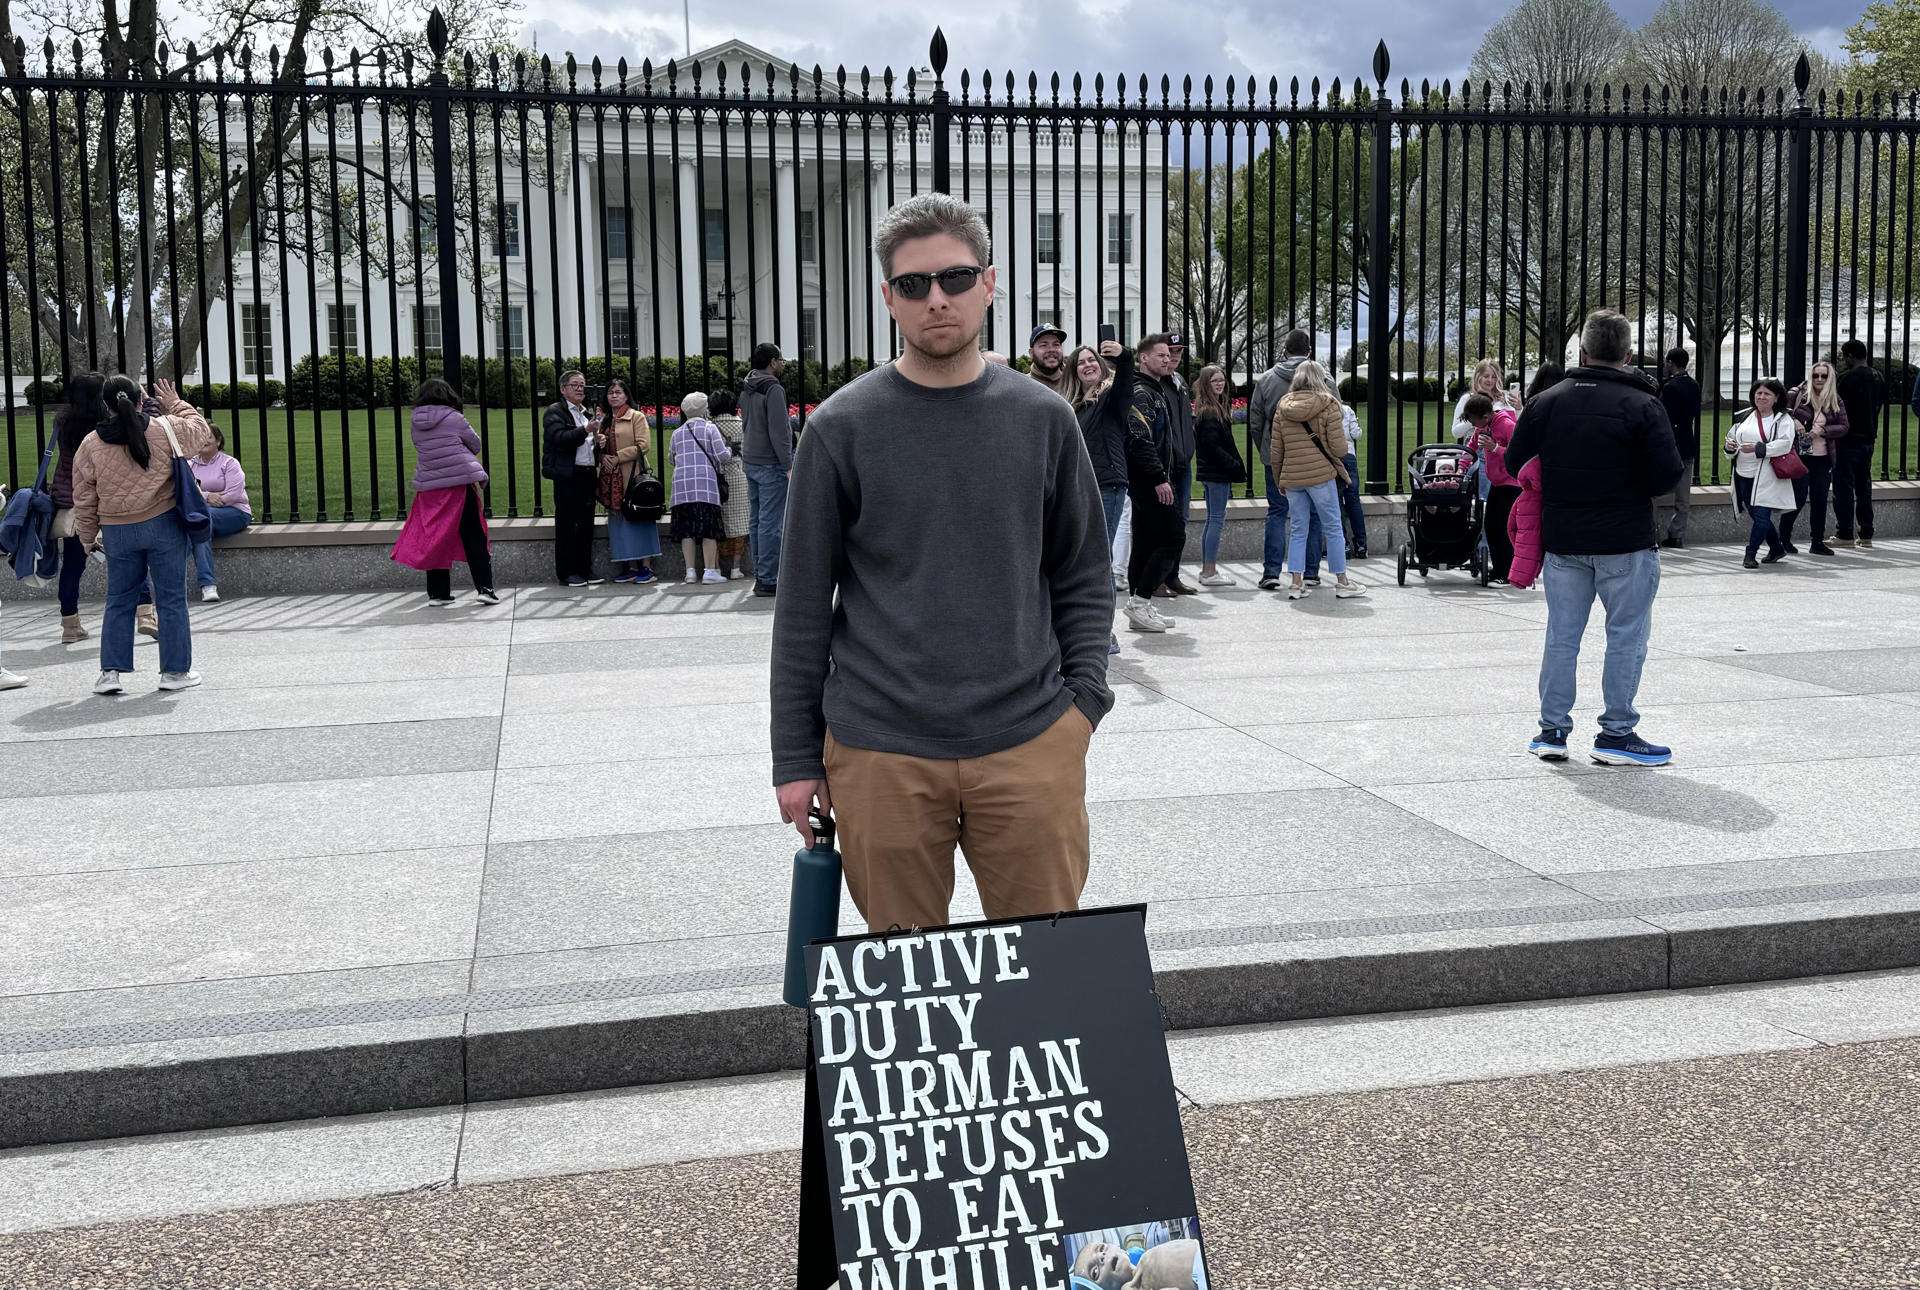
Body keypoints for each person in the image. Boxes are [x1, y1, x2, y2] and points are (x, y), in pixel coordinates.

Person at [771, 193, 1112, 933]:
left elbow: (1084, 574)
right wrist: (795, 758)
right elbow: (801, 608)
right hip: (880, 751)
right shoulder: (839, 428)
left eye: (955, 279)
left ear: (989, 284)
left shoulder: (1043, 418)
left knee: (1047, 981)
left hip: (1030, 739)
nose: (937, 300)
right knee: (908, 995)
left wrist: (1081, 708)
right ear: (887, 296)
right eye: (915, 284)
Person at [1504, 309, 1683, 767]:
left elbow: (1513, 463)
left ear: (1581, 351)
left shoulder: (1547, 401)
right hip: (1624, 536)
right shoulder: (1643, 404)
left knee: (1562, 636)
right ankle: (1616, 732)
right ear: (1626, 354)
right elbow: (1666, 475)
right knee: (1625, 636)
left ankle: (1552, 730)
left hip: (1564, 536)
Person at [72, 375, 207, 695]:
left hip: (117, 531)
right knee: (172, 599)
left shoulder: (91, 443)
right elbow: (200, 432)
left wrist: (89, 538)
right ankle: (174, 672)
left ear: (106, 405)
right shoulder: (165, 428)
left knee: (118, 600)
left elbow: (84, 497)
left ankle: (110, 673)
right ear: (140, 399)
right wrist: (175, 402)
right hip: (163, 525)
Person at [50, 372, 156, 644]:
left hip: (73, 500)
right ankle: (145, 612)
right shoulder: (108, 426)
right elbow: (145, 422)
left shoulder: (63, 421)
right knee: (131, 557)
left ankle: (70, 625)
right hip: (108, 500)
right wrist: (142, 397)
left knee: (73, 565)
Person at [1269, 361, 1367, 601]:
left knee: (1298, 529)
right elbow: (1339, 447)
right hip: (1321, 475)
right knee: (1333, 527)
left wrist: (1279, 477)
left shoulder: (1283, 405)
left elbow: (1276, 450)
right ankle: (1342, 581)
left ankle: (1295, 582)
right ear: (1320, 379)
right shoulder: (1329, 404)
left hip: (1292, 476)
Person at [393, 378, 495, 607]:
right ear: (448, 396)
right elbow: (475, 444)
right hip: (459, 484)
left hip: (429, 486)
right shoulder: (455, 418)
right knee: (474, 536)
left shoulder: (415, 421)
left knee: (435, 537)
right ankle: (485, 589)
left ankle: (438, 593)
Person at [1066, 339, 1135, 653]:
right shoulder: (1076, 407)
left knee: (1101, 559)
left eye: (1091, 360)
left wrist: (1125, 358)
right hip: (1083, 486)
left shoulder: (1110, 397)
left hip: (1108, 484)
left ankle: (1106, 633)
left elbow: (1124, 385)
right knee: (1090, 559)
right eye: (1081, 362)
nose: (1087, 365)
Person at [1247, 329, 1319, 590]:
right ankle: (1310, 571)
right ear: (1308, 350)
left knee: (1277, 511)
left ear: (1285, 350)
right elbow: (1335, 415)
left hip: (1277, 454)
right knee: (1312, 513)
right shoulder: (1322, 376)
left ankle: (1271, 572)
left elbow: (1256, 421)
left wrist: (1265, 449)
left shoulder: (1267, 379)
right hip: (1314, 456)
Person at [1124, 334, 1186, 631]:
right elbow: (1139, 438)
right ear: (1143, 358)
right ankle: (1141, 601)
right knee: (1173, 537)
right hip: (1149, 480)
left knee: (1147, 541)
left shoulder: (1154, 389)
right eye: (1160, 355)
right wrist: (1159, 478)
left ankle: (1140, 605)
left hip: (1148, 478)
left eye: (1168, 355)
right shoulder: (1142, 392)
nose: (1167, 359)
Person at [1726, 378, 1797, 570]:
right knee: (1757, 516)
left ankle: (1750, 554)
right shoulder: (1743, 416)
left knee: (1762, 517)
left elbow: (1784, 444)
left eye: (1767, 394)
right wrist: (1729, 447)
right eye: (1758, 393)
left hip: (1767, 476)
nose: (1762, 397)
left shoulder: (1783, 419)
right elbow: (1731, 438)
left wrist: (1759, 448)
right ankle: (1776, 548)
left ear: (1776, 398)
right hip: (1743, 475)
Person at [543, 369, 603, 587]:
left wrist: (598, 441)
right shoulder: (555, 412)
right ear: (563, 389)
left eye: (582, 385)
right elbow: (560, 439)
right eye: (575, 385)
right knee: (567, 524)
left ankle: (584, 569)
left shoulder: (584, 413)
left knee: (586, 524)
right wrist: (586, 429)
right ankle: (567, 573)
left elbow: (586, 445)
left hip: (587, 474)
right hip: (568, 476)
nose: (580, 389)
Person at [597, 378, 661, 585]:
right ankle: (630, 567)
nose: (614, 395)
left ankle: (647, 567)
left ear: (626, 395)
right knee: (620, 522)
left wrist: (618, 456)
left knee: (639, 518)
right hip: (610, 478)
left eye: (618, 392)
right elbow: (598, 447)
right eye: (610, 392)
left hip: (632, 476)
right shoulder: (605, 419)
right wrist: (602, 455)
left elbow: (644, 445)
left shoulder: (637, 417)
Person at [1782, 361, 1848, 557]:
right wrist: (1793, 421)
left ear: (1830, 379)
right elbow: (1781, 413)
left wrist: (1823, 430)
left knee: (1820, 500)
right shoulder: (1798, 394)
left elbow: (1844, 426)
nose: (1819, 379)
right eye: (1816, 375)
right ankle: (1783, 538)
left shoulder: (1835, 400)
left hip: (1823, 457)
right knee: (1798, 498)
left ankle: (1817, 541)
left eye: (1824, 376)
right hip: (1800, 457)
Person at [741, 343, 791, 597]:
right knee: (771, 522)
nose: (783, 363)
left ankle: (761, 574)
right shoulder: (773, 389)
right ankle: (769, 578)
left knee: (757, 520)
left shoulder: (748, 385)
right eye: (780, 359)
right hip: (770, 462)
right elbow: (780, 431)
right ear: (772, 362)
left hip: (750, 458)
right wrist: (789, 465)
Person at [668, 391, 733, 585]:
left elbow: (671, 458)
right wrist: (730, 449)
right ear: (704, 410)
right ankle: (710, 571)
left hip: (681, 489)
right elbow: (722, 456)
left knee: (686, 531)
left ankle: (690, 572)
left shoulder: (677, 433)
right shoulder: (710, 428)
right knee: (708, 530)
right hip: (705, 487)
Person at [1151, 329, 1198, 595]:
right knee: (1162, 525)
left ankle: (1172, 575)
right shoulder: (1155, 381)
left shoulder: (1179, 381)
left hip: (1182, 463)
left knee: (1180, 522)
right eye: (1170, 352)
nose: (1175, 357)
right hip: (1164, 465)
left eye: (1178, 352)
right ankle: (1155, 579)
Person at [1191, 363, 1244, 587]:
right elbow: (1211, 446)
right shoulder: (1211, 412)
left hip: (1212, 473)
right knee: (1215, 520)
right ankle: (1209, 571)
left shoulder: (1211, 408)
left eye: (1222, 379)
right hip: (1216, 474)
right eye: (1214, 381)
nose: (1220, 384)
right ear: (1206, 384)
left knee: (1212, 519)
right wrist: (1233, 465)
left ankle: (1208, 569)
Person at [185, 425, 251, 603]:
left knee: (199, 522)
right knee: (202, 526)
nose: (204, 440)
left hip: (235, 512)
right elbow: (187, 492)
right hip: (205, 515)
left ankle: (202, 583)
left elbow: (235, 494)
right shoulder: (189, 465)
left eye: (209, 436)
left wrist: (203, 498)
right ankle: (208, 586)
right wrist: (207, 497)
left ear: (219, 441)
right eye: (200, 436)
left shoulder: (229, 463)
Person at [1832, 339, 1885, 549]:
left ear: (1850, 356)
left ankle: (1844, 533)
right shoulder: (1877, 376)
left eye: (1845, 356)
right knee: (1864, 486)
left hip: (1847, 438)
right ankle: (1866, 533)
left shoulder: (1845, 378)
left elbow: (1835, 406)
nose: (1844, 360)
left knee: (1843, 486)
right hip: (1868, 437)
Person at [1462, 392, 1520, 583]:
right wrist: (1460, 470)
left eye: (1474, 421)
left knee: (1503, 528)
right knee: (1491, 526)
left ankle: (1507, 572)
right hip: (1497, 482)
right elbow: (1470, 450)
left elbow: (1518, 452)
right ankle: (1498, 568)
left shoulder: (1506, 425)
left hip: (1511, 484)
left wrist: (1495, 448)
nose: (1473, 426)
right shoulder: (1483, 428)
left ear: (1486, 416)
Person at [1656, 348, 1701, 549]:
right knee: (1683, 496)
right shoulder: (1694, 385)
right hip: (1687, 442)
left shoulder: (1669, 387)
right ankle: (1677, 534)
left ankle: (1650, 532)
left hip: (1669, 444)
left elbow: (1661, 415)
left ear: (1671, 362)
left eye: (1666, 362)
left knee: (1654, 491)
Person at [709, 390, 752, 580]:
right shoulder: (742, 424)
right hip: (739, 475)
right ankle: (736, 567)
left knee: (716, 522)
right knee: (740, 521)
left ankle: (716, 566)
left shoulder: (710, 426)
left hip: (716, 478)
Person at [1451, 358, 1522, 441]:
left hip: (1504, 448)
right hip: (1477, 447)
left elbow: (1520, 426)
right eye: (1486, 376)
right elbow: (1456, 433)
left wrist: (1519, 409)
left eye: (1494, 377)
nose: (1490, 380)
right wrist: (1475, 418)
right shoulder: (1467, 399)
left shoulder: (1505, 397)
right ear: (1478, 377)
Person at [1027, 323, 1070, 400]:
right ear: (1031, 353)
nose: (1051, 350)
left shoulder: (1075, 383)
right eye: (1044, 345)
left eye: (1056, 344)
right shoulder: (1022, 386)